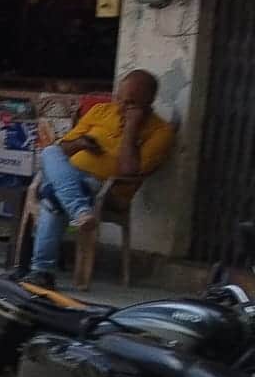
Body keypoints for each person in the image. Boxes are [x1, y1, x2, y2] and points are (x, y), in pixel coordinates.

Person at [17, 69, 175, 289]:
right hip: (72, 180)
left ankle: (42, 272)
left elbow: (129, 171)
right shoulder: (101, 111)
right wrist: (82, 143)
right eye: (119, 97)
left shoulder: (161, 131)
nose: (120, 105)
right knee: (50, 153)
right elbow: (63, 149)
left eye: (129, 103)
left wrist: (131, 127)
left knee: (52, 199)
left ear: (146, 104)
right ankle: (80, 211)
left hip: (105, 189)